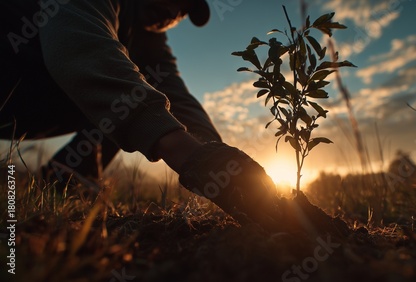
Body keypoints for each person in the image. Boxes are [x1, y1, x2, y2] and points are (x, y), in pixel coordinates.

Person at [1, 0, 282, 229]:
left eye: (183, 11)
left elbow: (178, 96)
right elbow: (77, 45)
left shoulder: (149, 42)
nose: (172, 12)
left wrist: (217, 156)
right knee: (126, 90)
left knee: (133, 94)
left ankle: (62, 185)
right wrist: (183, 151)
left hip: (25, 108)